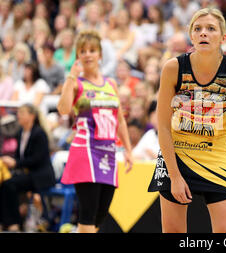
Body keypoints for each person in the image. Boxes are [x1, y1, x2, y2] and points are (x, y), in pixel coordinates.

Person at [148, 8, 226, 233]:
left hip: (217, 154)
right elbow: (163, 127)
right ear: (191, 36)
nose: (203, 34)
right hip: (176, 154)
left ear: (223, 37)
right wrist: (175, 176)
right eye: (197, 29)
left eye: (210, 29)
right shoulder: (173, 68)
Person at [57, 30, 133, 233]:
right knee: (88, 214)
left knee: (100, 214)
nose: (88, 54)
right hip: (85, 152)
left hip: (107, 151)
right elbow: (63, 110)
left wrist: (128, 150)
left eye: (92, 50)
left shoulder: (111, 84)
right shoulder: (77, 83)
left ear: (100, 55)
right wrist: (70, 78)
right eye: (83, 51)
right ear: (78, 56)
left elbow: (119, 120)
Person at [0, 104, 56, 232]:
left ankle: (14, 224)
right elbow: (20, 155)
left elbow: (37, 159)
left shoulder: (39, 133)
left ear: (32, 116)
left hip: (41, 175)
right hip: (28, 173)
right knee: (5, 183)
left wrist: (15, 163)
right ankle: (6, 221)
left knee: (10, 185)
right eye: (18, 113)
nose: (18, 115)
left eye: (22, 113)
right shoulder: (21, 132)